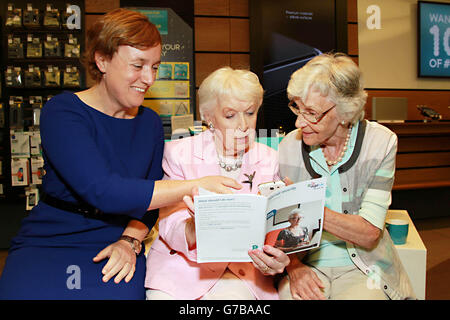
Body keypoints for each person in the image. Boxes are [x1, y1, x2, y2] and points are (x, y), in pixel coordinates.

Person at [0, 9, 240, 300]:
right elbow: (103, 190)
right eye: (138, 65)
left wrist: (129, 241)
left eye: (155, 67)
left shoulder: (150, 123)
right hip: (53, 239)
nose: (149, 78)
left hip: (118, 238)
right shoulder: (63, 112)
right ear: (102, 60)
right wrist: (195, 185)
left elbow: (149, 205)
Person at [277, 53, 415, 300]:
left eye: (312, 112)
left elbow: (369, 232)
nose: (299, 122)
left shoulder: (380, 143)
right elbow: (278, 232)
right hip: (306, 264)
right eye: (297, 107)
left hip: (364, 267)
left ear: (344, 112)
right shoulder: (289, 146)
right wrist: (294, 268)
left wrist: (307, 208)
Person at [145, 67, 290, 300]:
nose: (243, 125)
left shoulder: (269, 158)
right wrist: (195, 227)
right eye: (230, 115)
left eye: (250, 113)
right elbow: (170, 227)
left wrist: (278, 253)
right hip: (182, 270)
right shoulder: (179, 153)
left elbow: (271, 230)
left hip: (242, 272)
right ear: (209, 117)